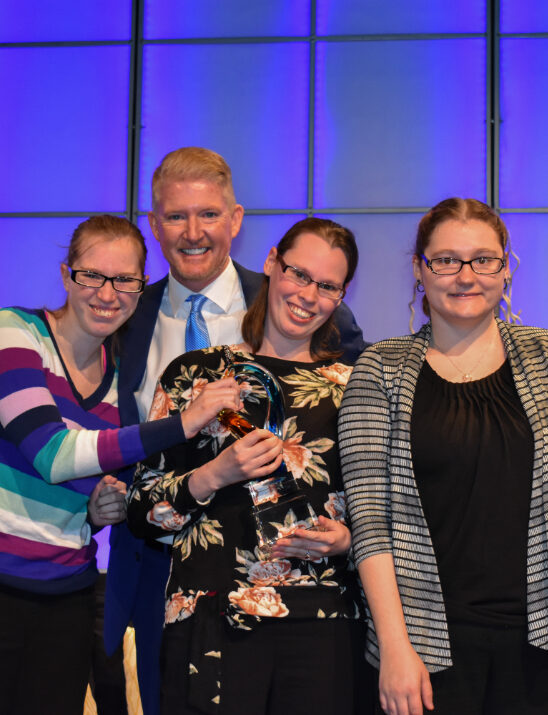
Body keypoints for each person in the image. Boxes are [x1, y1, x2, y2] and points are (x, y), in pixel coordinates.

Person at [104, 147, 366, 714]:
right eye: (298, 273)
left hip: (320, 619)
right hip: (205, 611)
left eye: (327, 285)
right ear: (273, 261)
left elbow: (378, 505)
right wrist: (213, 473)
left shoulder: (354, 383)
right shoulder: (191, 370)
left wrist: (349, 539)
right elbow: (144, 506)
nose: (308, 294)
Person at [0, 215, 238, 715]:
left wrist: (98, 506)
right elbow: (52, 453)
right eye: (92, 275)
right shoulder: (16, 333)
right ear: (67, 275)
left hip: (68, 594)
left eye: (125, 280)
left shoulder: (119, 387)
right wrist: (184, 422)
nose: (107, 293)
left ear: (140, 287)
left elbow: (98, 476)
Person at [339, 197, 548, 715]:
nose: (465, 275)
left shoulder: (545, 358)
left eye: (483, 259)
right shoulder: (380, 370)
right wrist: (394, 647)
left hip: (537, 644)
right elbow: (370, 523)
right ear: (420, 269)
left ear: (505, 267)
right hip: (426, 653)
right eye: (446, 260)